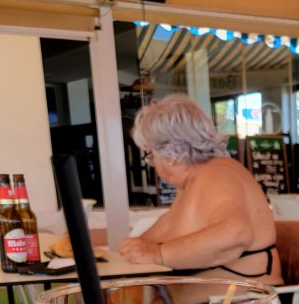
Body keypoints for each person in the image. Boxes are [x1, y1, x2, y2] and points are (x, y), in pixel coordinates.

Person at [119, 95, 284, 284]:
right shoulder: (195, 180)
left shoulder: (217, 175)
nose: (153, 164)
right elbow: (169, 227)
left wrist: (160, 254)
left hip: (247, 299)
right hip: (219, 296)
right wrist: (132, 250)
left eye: (151, 156)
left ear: (171, 154)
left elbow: (236, 233)